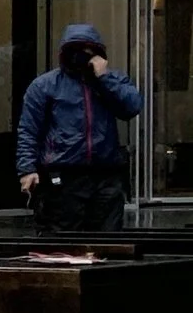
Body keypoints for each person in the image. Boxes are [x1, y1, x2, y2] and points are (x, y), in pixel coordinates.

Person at [18, 25, 141, 232]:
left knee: (108, 236)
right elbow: (29, 130)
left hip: (106, 172)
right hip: (65, 173)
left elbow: (131, 107)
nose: (81, 57)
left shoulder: (112, 81)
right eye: (75, 51)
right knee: (63, 236)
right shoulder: (45, 85)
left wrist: (104, 78)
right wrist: (27, 169)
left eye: (88, 52)